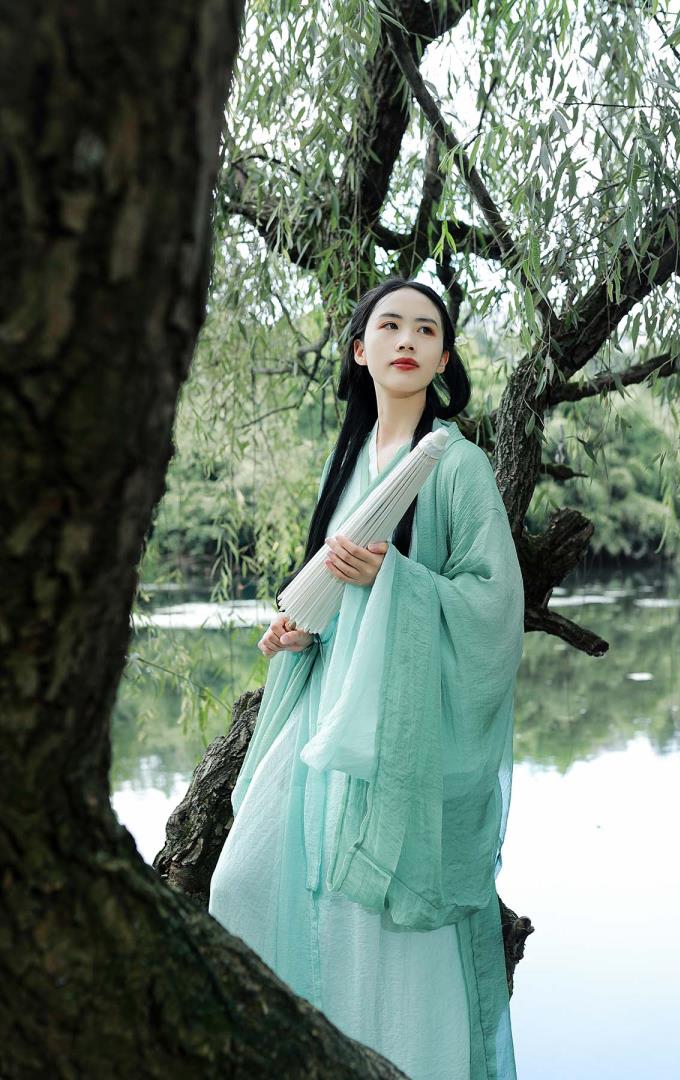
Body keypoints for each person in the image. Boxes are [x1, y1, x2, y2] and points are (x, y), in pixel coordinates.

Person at [208, 278, 525, 1079]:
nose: (406, 339)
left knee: (382, 920)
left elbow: (493, 604)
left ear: (444, 360)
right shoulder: (345, 462)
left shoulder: (456, 466)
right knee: (246, 880)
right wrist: (298, 631)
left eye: (426, 329)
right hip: (324, 707)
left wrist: (398, 580)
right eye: (389, 325)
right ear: (360, 350)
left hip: (402, 721)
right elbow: (331, 593)